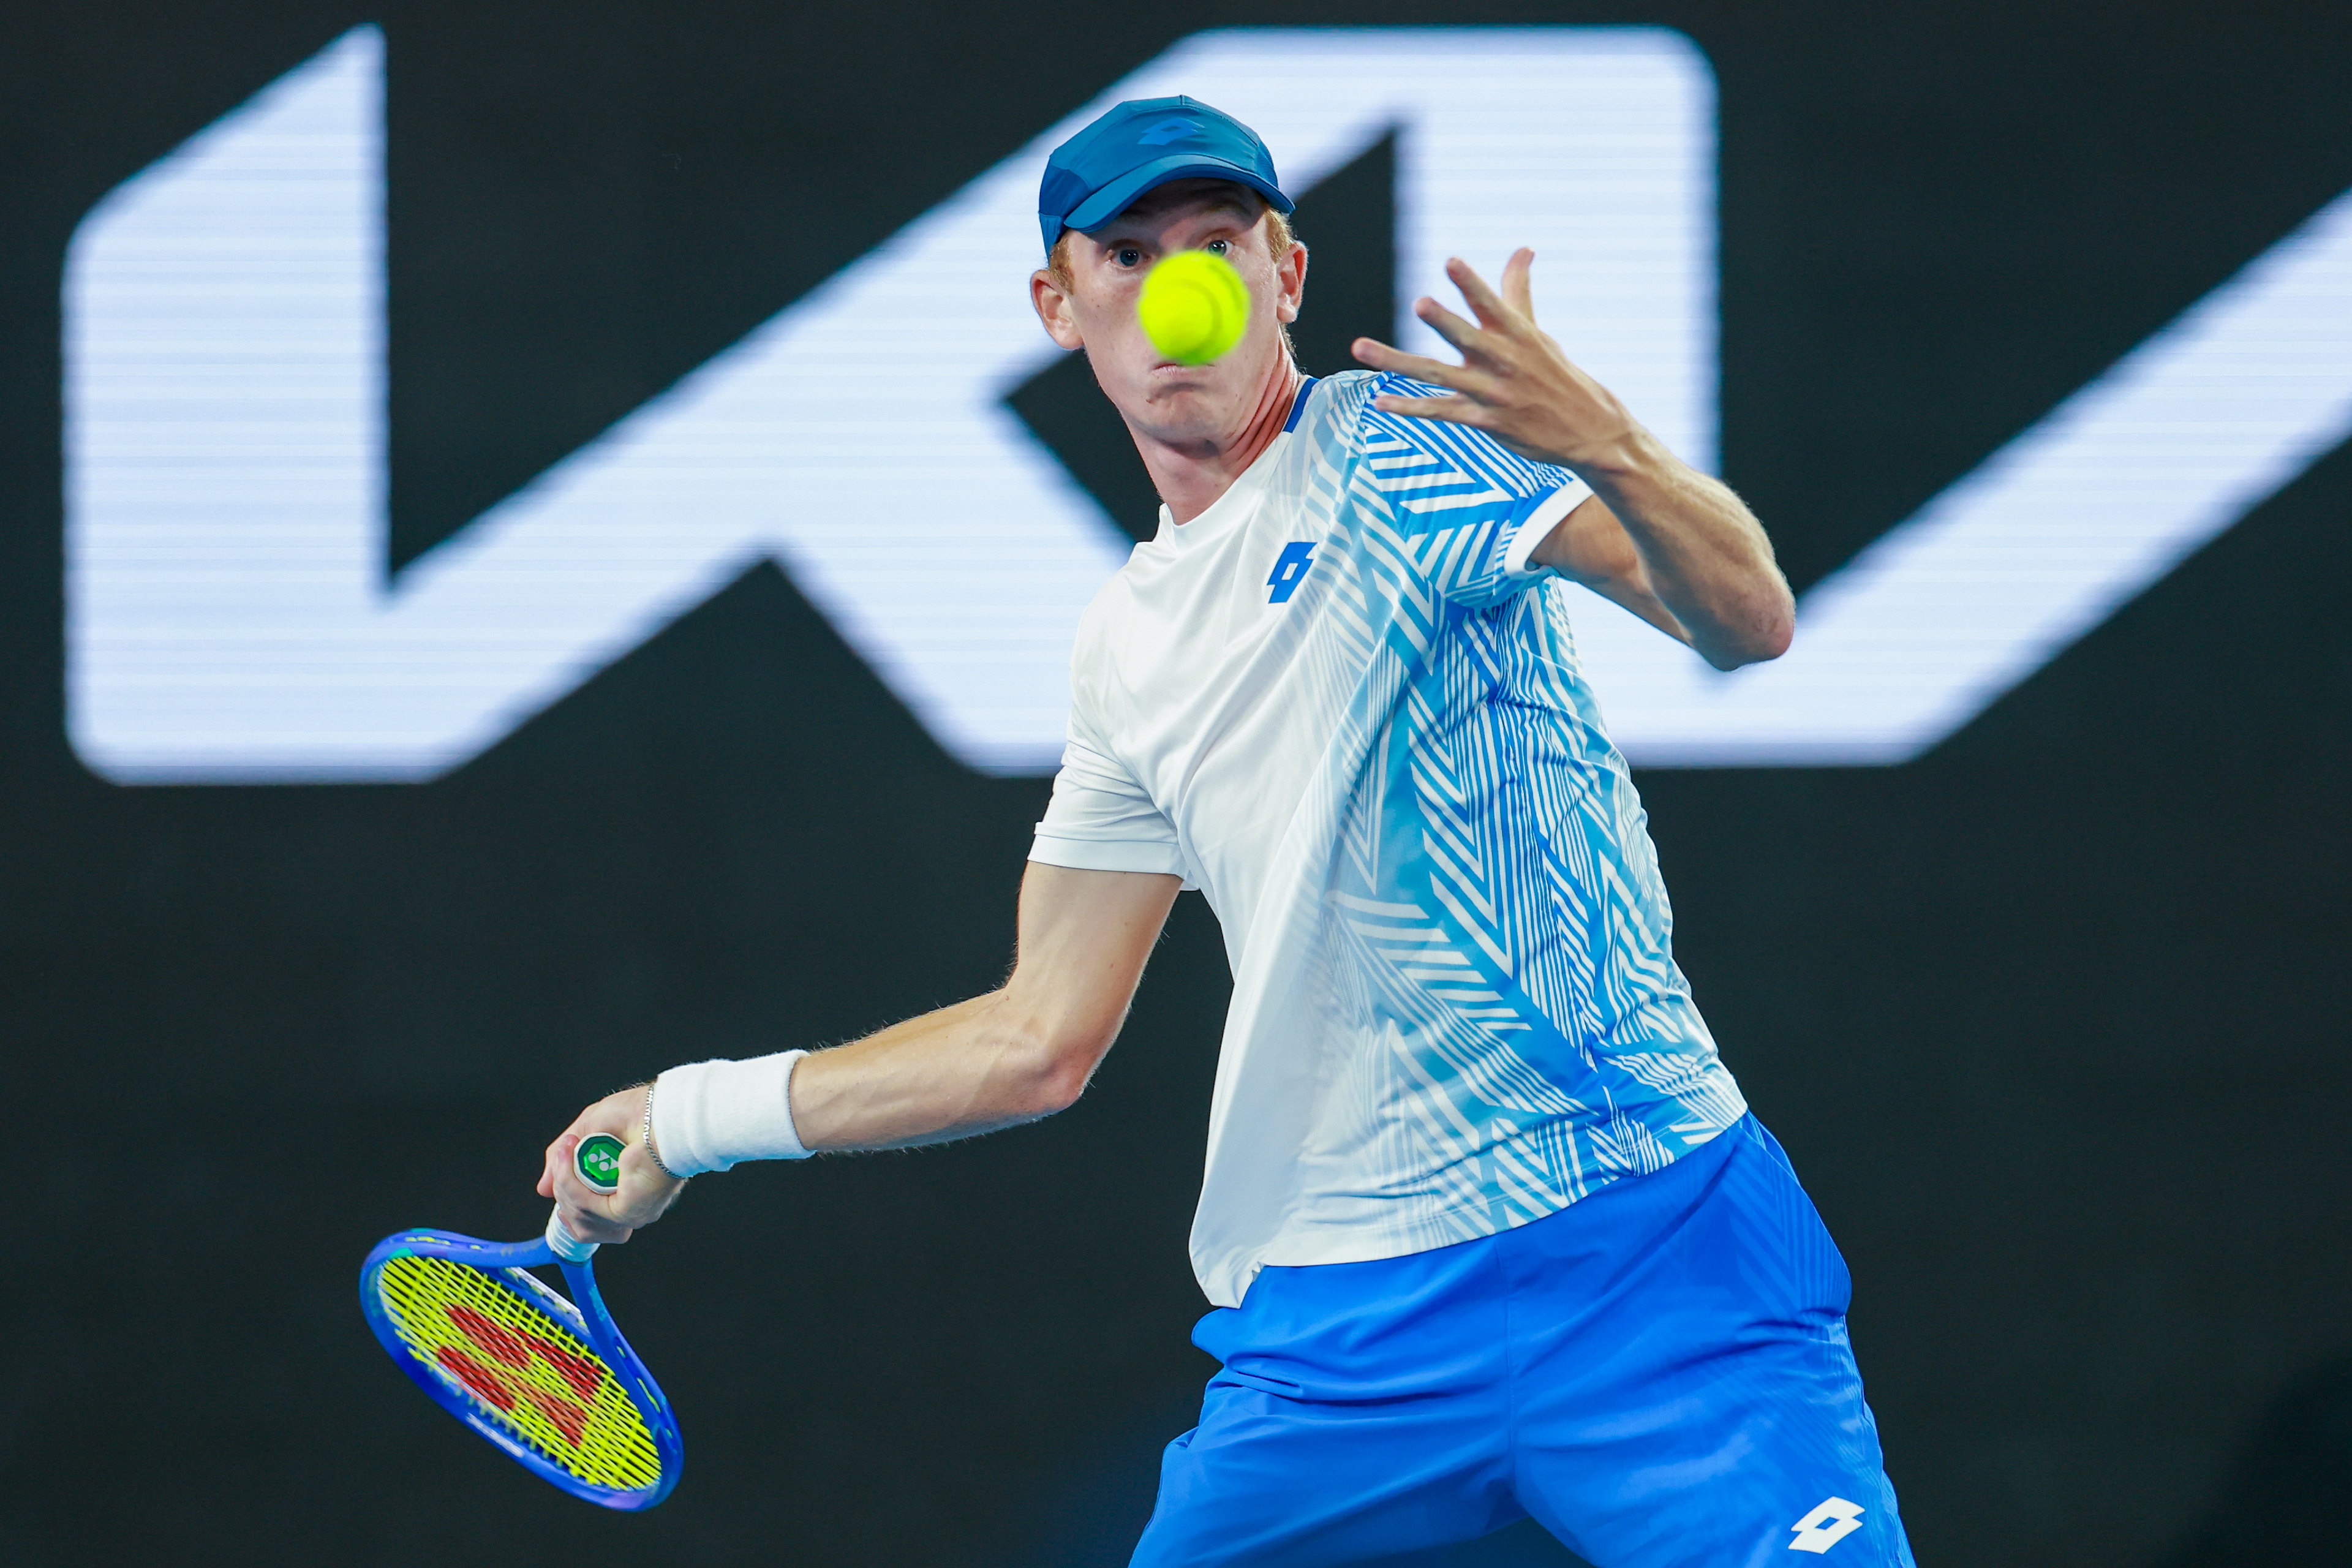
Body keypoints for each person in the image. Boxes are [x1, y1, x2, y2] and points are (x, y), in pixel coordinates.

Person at [539, 94, 1915, 1567]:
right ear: (1058, 305)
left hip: (1658, 1259)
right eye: (1126, 255)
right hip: (1346, 1338)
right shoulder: (1125, 649)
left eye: (1214, 244)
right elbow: (1036, 1038)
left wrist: (1616, 451)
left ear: (1287, 276)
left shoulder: (1405, 447)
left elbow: (1747, 620)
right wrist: (687, 1116)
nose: (1174, 287)